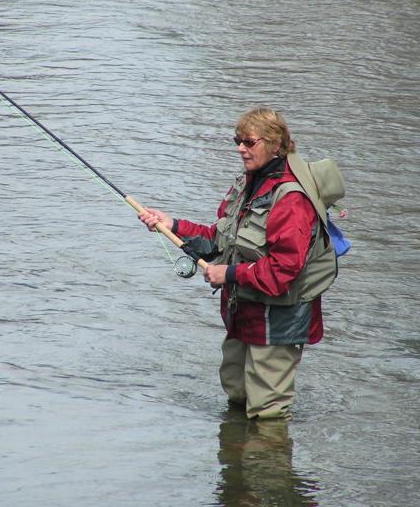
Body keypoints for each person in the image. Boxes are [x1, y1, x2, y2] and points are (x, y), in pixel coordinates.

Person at [139, 106, 339, 421]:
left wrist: (228, 273)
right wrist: (171, 224)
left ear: (275, 144)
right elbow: (219, 240)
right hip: (244, 310)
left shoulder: (291, 200)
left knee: (267, 412)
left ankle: (267, 465)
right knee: (236, 392)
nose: (240, 149)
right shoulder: (249, 182)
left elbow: (283, 270)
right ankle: (237, 462)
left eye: (248, 142)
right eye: (237, 141)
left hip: (279, 319)